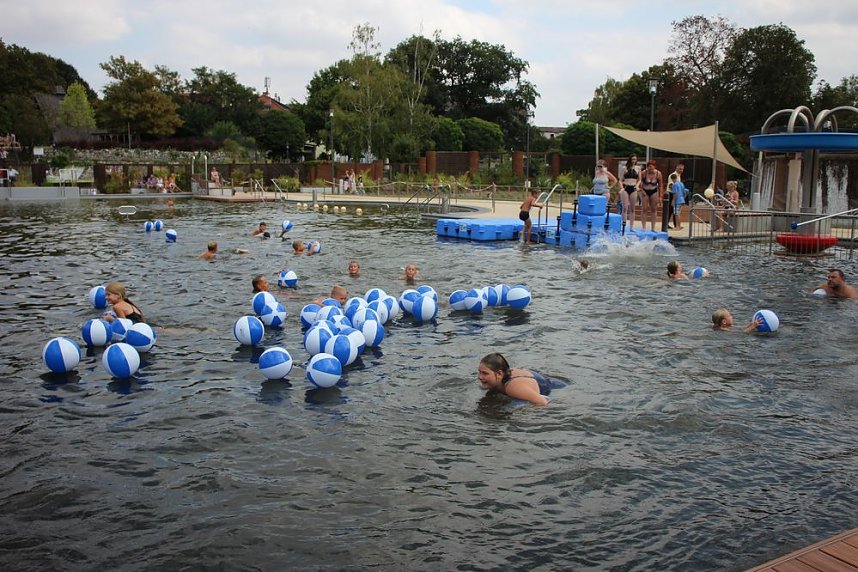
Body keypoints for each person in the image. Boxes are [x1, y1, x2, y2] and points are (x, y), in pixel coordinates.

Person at [477, 353, 552, 406]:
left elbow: (543, 402)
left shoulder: (513, 388)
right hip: (532, 378)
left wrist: (523, 412)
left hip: (548, 386)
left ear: (499, 374)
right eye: (479, 372)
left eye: (485, 373)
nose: (480, 377)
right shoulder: (500, 378)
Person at [640, 160, 663, 231]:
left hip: (654, 191)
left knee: (654, 209)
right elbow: (639, 183)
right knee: (644, 209)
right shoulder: (644, 173)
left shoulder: (658, 173)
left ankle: (653, 227)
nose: (650, 168)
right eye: (649, 167)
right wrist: (642, 191)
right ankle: (643, 227)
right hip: (645, 191)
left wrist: (660, 196)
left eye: (651, 167)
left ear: (654, 167)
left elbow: (660, 185)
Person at [620, 156, 640, 231]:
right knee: (625, 207)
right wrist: (621, 187)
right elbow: (620, 180)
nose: (633, 160)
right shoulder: (624, 168)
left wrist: (637, 186)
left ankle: (631, 226)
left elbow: (639, 180)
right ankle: (623, 224)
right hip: (626, 187)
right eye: (632, 159)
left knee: (632, 208)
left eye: (635, 159)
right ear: (630, 160)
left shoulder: (638, 168)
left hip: (633, 187)